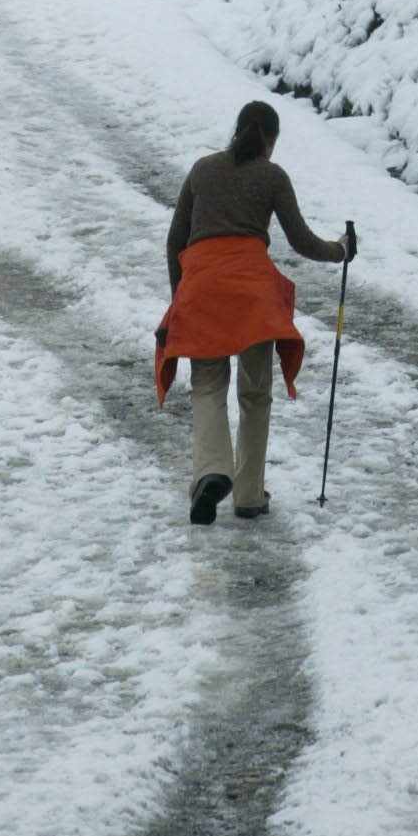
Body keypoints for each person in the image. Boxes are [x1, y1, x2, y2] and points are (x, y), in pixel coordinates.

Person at [155, 100, 355, 525]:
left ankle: (212, 471)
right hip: (253, 297)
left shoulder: (202, 170)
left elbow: (176, 241)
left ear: (237, 130)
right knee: (254, 393)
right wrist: (340, 250)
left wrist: (180, 300)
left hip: (203, 289)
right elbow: (301, 240)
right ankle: (247, 493)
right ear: (272, 139)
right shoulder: (271, 175)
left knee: (208, 386)